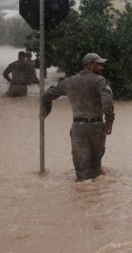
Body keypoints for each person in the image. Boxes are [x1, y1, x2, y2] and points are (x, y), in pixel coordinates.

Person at [42, 53, 115, 181]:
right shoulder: (99, 80)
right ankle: (96, 198)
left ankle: (81, 198)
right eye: (98, 64)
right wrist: (109, 122)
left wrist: (47, 110)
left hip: (78, 129)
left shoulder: (69, 81)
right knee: (96, 168)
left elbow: (46, 95)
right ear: (90, 65)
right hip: (97, 127)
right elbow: (107, 101)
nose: (102, 67)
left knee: (82, 171)